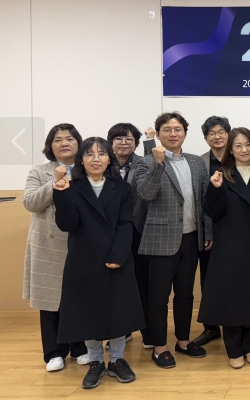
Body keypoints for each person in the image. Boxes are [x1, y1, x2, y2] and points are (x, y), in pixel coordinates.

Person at [53, 137, 144, 389]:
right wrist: (60, 193)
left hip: (116, 258)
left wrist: (118, 255)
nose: (96, 159)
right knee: (87, 313)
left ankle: (117, 360)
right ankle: (95, 362)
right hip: (83, 261)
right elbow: (67, 224)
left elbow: (126, 224)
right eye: (89, 154)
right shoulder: (71, 186)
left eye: (102, 154)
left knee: (118, 312)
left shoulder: (121, 188)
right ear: (80, 160)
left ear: (109, 159)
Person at [135, 112, 212, 368]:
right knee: (158, 297)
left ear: (185, 134)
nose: (173, 134)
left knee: (185, 295)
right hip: (160, 240)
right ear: (158, 134)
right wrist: (158, 165)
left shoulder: (196, 162)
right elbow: (145, 194)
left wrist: (207, 233)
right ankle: (159, 347)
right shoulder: (146, 162)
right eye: (167, 129)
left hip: (191, 238)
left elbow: (204, 201)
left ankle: (183, 340)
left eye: (178, 129)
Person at [198, 128, 250, 369]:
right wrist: (215, 189)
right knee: (231, 299)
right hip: (228, 248)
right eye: (238, 145)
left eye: (248, 144)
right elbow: (212, 211)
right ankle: (234, 349)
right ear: (230, 149)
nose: (244, 149)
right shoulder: (221, 176)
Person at [22, 124, 89, 372]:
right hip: (47, 242)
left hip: (80, 241)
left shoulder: (86, 169)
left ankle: (80, 347)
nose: (64, 143)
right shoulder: (39, 171)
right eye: (58, 139)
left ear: (78, 143)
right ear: (50, 146)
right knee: (50, 298)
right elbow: (30, 203)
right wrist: (54, 181)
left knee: (79, 296)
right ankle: (54, 352)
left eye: (70, 138)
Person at [107, 122, 155, 349]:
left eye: (129, 139)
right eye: (119, 138)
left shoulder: (143, 163)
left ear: (136, 143)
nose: (124, 143)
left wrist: (150, 141)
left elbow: (156, 169)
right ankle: (121, 332)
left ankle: (148, 332)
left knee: (142, 284)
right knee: (116, 285)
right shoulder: (103, 164)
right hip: (111, 234)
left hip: (139, 230)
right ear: (111, 142)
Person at [193, 115, 232, 348]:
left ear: (229, 134)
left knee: (233, 279)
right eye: (211, 133)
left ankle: (234, 324)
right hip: (209, 233)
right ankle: (211, 327)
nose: (217, 137)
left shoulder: (239, 158)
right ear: (206, 138)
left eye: (221, 132)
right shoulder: (200, 163)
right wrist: (208, 233)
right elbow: (201, 201)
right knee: (209, 280)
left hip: (235, 232)